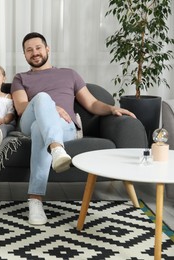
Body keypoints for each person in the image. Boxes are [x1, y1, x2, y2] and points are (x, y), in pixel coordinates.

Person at [11, 32, 136, 226]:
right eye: (29, 50)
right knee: (42, 99)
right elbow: (20, 107)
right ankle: (57, 149)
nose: (34, 53)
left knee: (39, 130)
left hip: (65, 126)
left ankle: (35, 201)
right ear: (25, 55)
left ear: (47, 49)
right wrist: (51, 106)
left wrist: (112, 108)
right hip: (30, 118)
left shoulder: (69, 74)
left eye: (38, 48)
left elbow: (92, 104)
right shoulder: (20, 78)